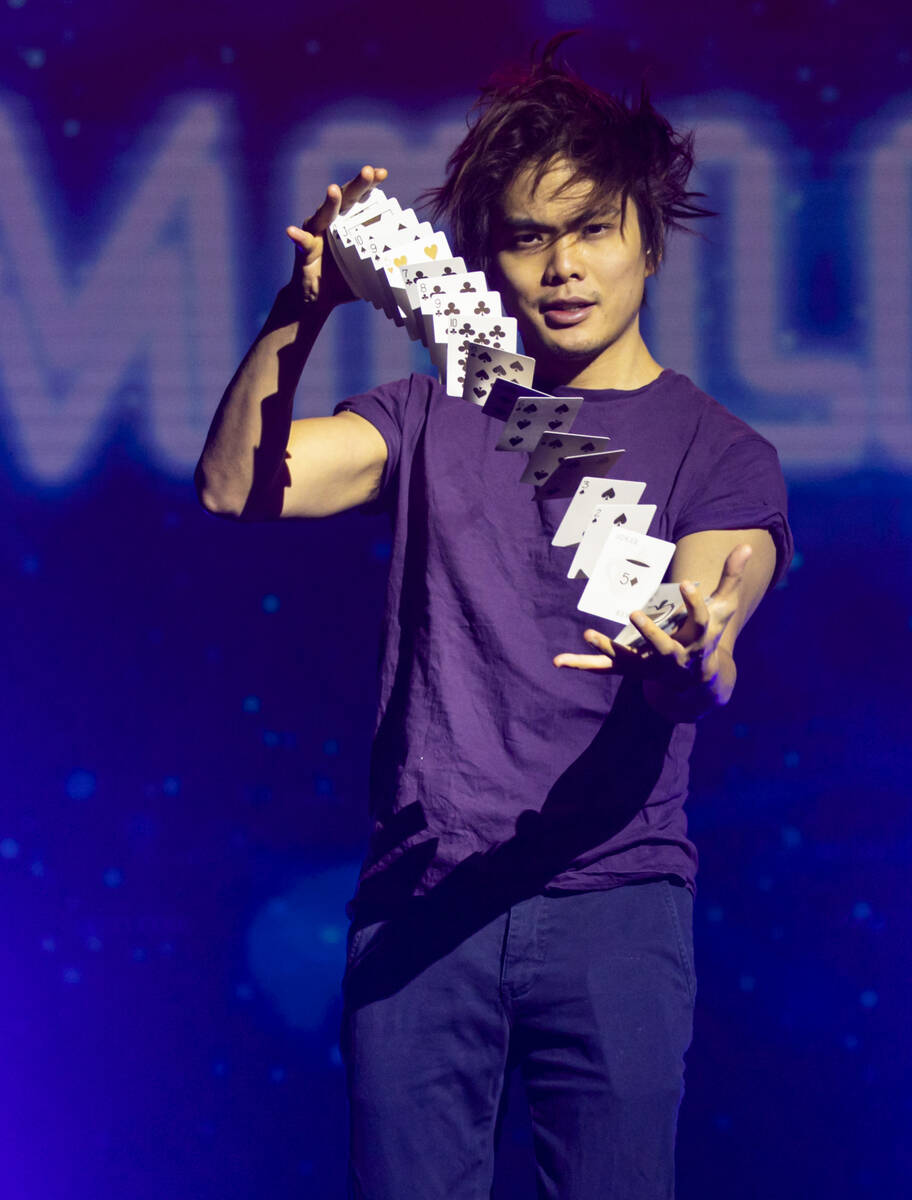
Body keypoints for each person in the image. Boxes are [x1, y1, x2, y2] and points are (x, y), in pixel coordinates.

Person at [196, 38, 791, 1200]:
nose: (562, 267)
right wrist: (299, 312)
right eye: (527, 237)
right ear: (488, 257)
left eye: (591, 230)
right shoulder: (429, 413)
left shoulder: (720, 452)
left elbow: (719, 602)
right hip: (423, 904)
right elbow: (236, 486)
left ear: (645, 241)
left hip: (612, 903)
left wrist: (685, 652)